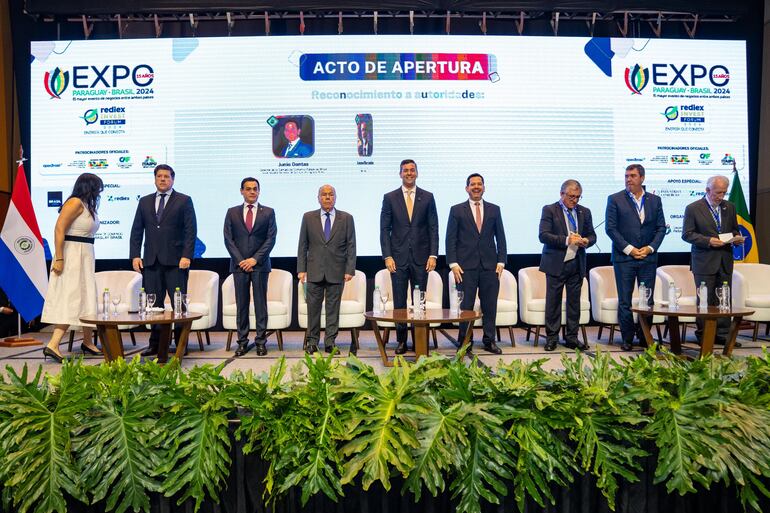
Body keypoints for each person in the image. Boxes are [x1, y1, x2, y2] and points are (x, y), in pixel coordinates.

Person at [130, 164, 197, 357]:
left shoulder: (184, 201)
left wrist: (187, 255)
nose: (162, 179)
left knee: (179, 306)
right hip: (151, 261)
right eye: (159, 176)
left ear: (172, 180)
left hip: (176, 262)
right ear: (154, 179)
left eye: (166, 177)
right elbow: (136, 231)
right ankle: (156, 344)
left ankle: (180, 344)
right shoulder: (144, 202)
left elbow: (190, 231)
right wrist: (135, 255)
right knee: (153, 305)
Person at [40, 173, 103, 362]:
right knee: (72, 297)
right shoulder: (74, 202)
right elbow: (59, 229)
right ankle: (53, 344)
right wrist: (59, 258)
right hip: (71, 255)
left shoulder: (87, 205)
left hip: (84, 254)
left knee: (86, 296)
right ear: (88, 186)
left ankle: (87, 341)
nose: (99, 191)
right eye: (97, 187)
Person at [379, 159, 439, 354]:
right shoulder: (390, 197)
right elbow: (384, 229)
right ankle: (402, 341)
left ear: (417, 173)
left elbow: (433, 228)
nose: (409, 173)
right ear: (400, 174)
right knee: (399, 302)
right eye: (405, 170)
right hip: (397, 258)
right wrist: (387, 256)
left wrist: (433, 254)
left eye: (412, 170)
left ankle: (419, 340)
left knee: (419, 302)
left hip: (422, 258)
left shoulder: (428, 197)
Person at [605, 164, 666, 351]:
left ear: (642, 178)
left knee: (647, 300)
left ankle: (645, 336)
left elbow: (661, 228)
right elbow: (611, 229)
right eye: (626, 176)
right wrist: (630, 249)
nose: (628, 179)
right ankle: (627, 338)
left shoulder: (654, 200)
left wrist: (650, 248)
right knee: (625, 300)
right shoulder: (615, 199)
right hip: (625, 258)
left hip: (648, 258)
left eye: (632, 176)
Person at [446, 173, 507, 355]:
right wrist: (453, 263)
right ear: (467, 188)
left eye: (479, 184)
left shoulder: (495, 210)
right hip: (465, 267)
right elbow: (451, 239)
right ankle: (465, 340)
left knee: (490, 306)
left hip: (490, 266)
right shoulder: (456, 210)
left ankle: (489, 340)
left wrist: (502, 261)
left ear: (484, 187)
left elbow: (501, 237)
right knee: (466, 307)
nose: (476, 187)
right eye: (472, 184)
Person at [682, 175, 744, 345]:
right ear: (707, 190)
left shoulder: (729, 207)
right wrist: (708, 241)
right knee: (705, 299)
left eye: (724, 193)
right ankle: (704, 334)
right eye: (717, 193)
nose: (721, 196)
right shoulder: (693, 208)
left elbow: (734, 229)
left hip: (725, 259)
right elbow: (687, 234)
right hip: (704, 261)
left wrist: (737, 237)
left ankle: (723, 334)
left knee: (724, 298)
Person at [297, 184, 356, 355]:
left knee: (333, 309)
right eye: (324, 194)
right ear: (318, 198)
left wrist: (349, 269)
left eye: (331, 194)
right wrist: (301, 269)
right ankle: (312, 342)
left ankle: (330, 342)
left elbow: (351, 245)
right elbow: (303, 245)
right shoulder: (308, 217)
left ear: (335, 198)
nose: (328, 197)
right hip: (314, 270)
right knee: (313, 309)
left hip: (337, 271)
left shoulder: (346, 218)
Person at [538, 179, 596, 351]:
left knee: (574, 303)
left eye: (578, 197)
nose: (575, 200)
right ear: (561, 194)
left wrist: (587, 241)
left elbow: (593, 236)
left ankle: (571, 337)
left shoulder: (584, 212)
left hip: (577, 263)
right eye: (571, 196)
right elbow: (543, 235)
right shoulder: (549, 210)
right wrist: (566, 240)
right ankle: (552, 338)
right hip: (556, 262)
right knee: (553, 302)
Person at [223, 177, 277, 357]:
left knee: (261, 305)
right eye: (248, 189)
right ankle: (242, 342)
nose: (252, 191)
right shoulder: (232, 212)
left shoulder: (268, 212)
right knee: (242, 305)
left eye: (255, 189)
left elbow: (271, 239)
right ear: (242, 191)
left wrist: (254, 259)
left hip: (260, 266)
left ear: (259, 191)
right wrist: (241, 261)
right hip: (239, 267)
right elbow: (228, 239)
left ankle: (261, 342)